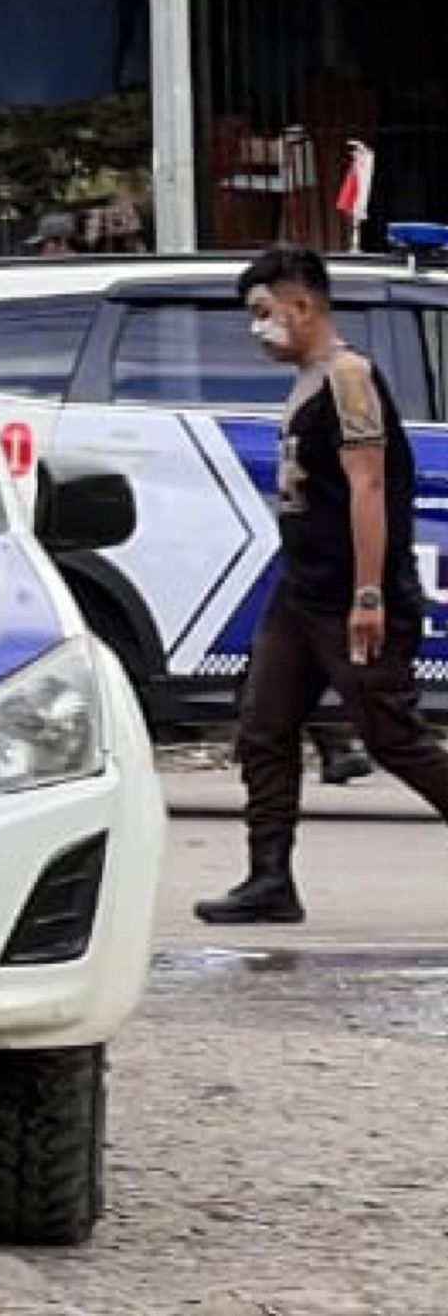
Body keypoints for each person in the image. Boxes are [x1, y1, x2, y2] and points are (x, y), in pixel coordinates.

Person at [196, 245, 448, 922]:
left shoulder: (349, 377)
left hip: (353, 595)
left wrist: (369, 595)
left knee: (393, 737)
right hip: (301, 591)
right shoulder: (309, 377)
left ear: (301, 304)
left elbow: (368, 487)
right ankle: (269, 880)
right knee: (263, 725)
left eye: (263, 312)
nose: (257, 329)